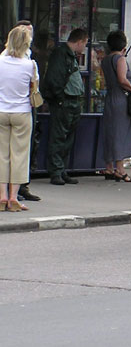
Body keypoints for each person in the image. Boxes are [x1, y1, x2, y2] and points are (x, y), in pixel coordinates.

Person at [41, 28, 88, 186]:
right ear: (80, 41)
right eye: (85, 43)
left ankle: (62, 170)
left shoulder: (70, 55)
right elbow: (54, 78)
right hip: (64, 101)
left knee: (67, 138)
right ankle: (56, 171)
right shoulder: (61, 54)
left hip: (72, 101)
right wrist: (60, 99)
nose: (84, 47)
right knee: (59, 137)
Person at [99, 30, 131, 182]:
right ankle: (120, 169)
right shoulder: (120, 59)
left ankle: (109, 166)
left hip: (110, 97)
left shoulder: (105, 60)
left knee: (110, 132)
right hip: (121, 99)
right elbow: (123, 80)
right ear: (123, 44)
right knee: (120, 132)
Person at [0, 25, 36, 210]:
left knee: (1, 155)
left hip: (1, 111)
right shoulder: (30, 65)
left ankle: (2, 196)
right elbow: (34, 89)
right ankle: (14, 197)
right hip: (21, 112)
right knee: (19, 155)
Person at [15, 20, 40, 203]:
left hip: (25, 106)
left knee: (25, 149)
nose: (30, 36)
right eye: (26, 32)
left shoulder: (30, 56)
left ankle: (22, 186)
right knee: (14, 152)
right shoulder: (20, 59)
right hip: (17, 109)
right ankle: (13, 190)